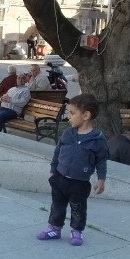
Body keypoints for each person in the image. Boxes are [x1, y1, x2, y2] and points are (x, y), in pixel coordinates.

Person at [37, 93, 108, 246]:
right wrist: (52, 171)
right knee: (57, 206)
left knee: (78, 209)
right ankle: (54, 229)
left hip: (79, 183)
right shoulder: (68, 133)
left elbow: (101, 161)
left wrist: (101, 180)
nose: (68, 116)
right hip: (59, 178)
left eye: (72, 113)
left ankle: (77, 231)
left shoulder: (98, 140)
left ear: (86, 115)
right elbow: (58, 152)